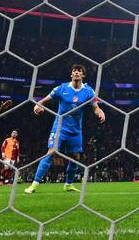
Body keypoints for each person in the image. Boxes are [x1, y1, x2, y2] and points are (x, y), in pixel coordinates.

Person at [25, 64, 106, 194]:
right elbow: (42, 101)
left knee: (75, 157)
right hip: (59, 127)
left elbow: (95, 107)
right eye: (74, 71)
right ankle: (34, 184)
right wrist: (37, 106)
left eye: (79, 71)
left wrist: (100, 112)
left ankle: (68, 184)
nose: (76, 73)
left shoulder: (88, 91)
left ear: (83, 75)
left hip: (75, 130)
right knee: (51, 152)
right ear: (71, 74)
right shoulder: (61, 89)